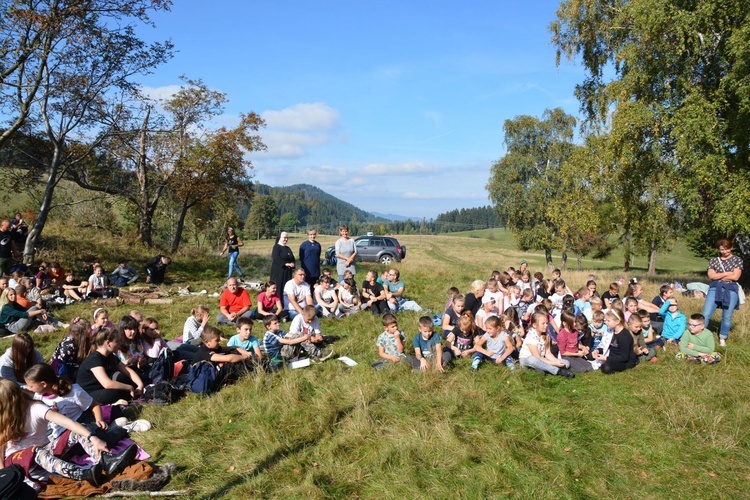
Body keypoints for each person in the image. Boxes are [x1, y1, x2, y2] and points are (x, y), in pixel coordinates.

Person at [0, 378, 137, 488]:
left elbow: (69, 423)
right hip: (16, 463)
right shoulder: (3, 419)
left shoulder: (35, 408)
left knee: (77, 431)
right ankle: (82, 474)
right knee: (35, 451)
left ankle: (106, 460)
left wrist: (93, 438)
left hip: (45, 453)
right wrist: (5, 475)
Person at [77, 327, 144, 404]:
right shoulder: (95, 359)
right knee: (114, 392)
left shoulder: (110, 356)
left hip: (102, 389)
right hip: (89, 393)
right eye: (117, 341)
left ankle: (124, 399)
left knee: (124, 378)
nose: (119, 344)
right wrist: (129, 388)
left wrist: (140, 385)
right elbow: (107, 384)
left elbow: (128, 371)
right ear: (108, 343)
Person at [701, 238, 743, 347]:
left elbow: (736, 276)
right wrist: (728, 273)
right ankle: (699, 335)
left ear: (731, 248)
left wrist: (719, 275)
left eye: (727, 249)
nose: (724, 251)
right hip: (715, 288)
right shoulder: (714, 260)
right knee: (705, 314)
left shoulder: (737, 260)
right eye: (722, 249)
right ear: (718, 250)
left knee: (727, 316)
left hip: (731, 289)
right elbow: (711, 276)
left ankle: (722, 337)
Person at [518, 312, 574, 378]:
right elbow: (537, 358)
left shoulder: (546, 335)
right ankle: (557, 371)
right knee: (532, 359)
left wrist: (556, 361)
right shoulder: (531, 337)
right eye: (543, 323)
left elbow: (548, 353)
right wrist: (554, 363)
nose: (546, 325)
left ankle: (546, 369)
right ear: (534, 325)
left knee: (566, 362)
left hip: (542, 359)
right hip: (528, 361)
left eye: (547, 323)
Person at [594, 309, 637, 375]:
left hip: (624, 361)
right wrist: (598, 351)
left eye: (608, 321)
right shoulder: (612, 331)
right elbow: (608, 346)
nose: (606, 322)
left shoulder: (624, 336)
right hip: (613, 356)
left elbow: (624, 357)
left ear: (617, 321)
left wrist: (606, 358)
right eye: (606, 320)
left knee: (606, 368)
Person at [270, 231, 295, 301]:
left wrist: (293, 263)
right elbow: (276, 258)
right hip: (279, 271)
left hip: (287, 271)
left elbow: (292, 258)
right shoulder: (276, 247)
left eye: (287, 238)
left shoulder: (288, 248)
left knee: (287, 286)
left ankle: (286, 301)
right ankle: (278, 301)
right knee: (279, 286)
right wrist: (285, 264)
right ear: (279, 238)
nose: (286, 239)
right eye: (284, 237)